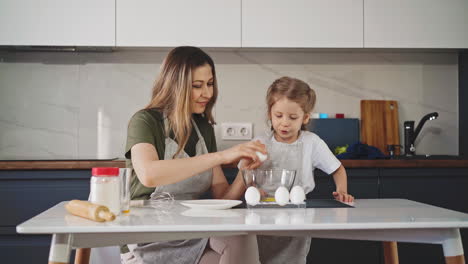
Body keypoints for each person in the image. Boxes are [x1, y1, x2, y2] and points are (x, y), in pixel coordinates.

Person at [122, 46, 266, 264]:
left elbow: (223, 200)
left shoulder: (203, 128)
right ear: (175, 86)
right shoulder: (144, 121)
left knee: (241, 235)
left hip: (191, 229)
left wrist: (243, 173)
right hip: (146, 236)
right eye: (197, 86)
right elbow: (149, 174)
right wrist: (222, 156)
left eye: (210, 84)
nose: (207, 93)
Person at [249, 76, 354, 264]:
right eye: (278, 116)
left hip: (297, 216)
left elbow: (337, 169)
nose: (284, 123)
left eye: (293, 117)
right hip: (261, 214)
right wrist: (253, 187)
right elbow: (247, 172)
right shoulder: (260, 143)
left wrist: (342, 191)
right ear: (269, 114)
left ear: (305, 117)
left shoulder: (311, 142)